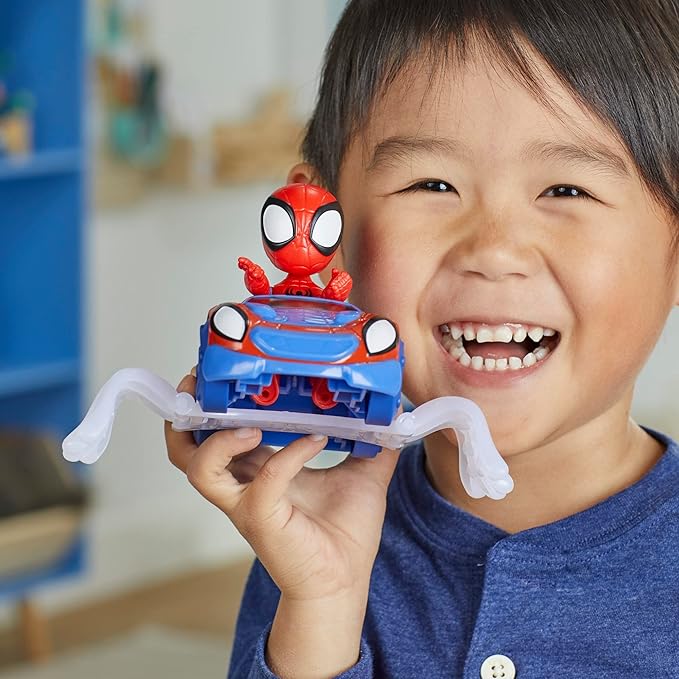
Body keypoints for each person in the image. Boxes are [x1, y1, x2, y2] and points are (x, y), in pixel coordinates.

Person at [165, 1, 679, 676]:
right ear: (322, 224)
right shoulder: (309, 539)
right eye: (431, 183)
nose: (493, 250)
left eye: (566, 189)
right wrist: (322, 603)